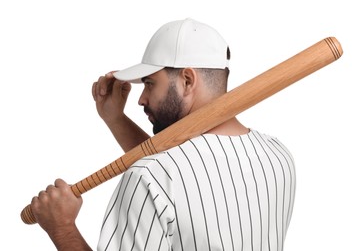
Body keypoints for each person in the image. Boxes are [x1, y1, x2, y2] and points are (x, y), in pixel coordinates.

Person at [31, 18, 296, 251]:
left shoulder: (149, 176)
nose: (141, 99)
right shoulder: (277, 155)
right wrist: (116, 119)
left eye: (149, 83)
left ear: (187, 81)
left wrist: (62, 227)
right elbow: (185, 176)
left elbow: (167, 174)